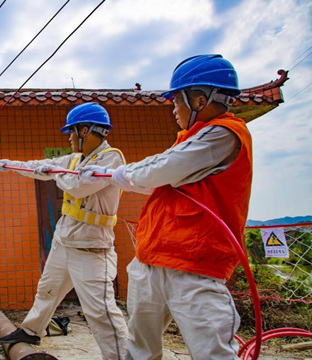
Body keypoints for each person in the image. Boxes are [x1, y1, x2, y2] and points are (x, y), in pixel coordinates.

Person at [79, 54, 252, 359]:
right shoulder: (190, 139)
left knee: (212, 352)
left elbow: (159, 170)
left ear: (199, 99)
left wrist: (116, 173)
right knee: (140, 348)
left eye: (176, 101)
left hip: (194, 264)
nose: (173, 108)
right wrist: (118, 175)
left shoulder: (223, 134)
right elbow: (152, 180)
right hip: (153, 257)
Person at [0, 102, 129, 360]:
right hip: (65, 240)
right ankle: (31, 330)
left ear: (85, 130)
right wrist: (10, 165)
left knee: (100, 311)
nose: (68, 138)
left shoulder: (112, 158)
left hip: (91, 247)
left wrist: (55, 174)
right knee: (48, 288)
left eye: (71, 132)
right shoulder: (74, 159)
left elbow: (78, 186)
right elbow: (41, 165)